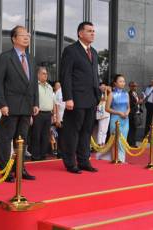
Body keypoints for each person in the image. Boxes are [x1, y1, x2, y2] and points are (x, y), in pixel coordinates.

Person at [0, 25, 39, 182]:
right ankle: (6, 169)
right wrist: (2, 104)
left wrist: (35, 102)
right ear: (14, 38)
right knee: (6, 138)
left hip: (27, 105)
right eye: (23, 35)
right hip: (10, 105)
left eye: (28, 34)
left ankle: (20, 168)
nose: (27, 37)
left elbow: (34, 83)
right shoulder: (5, 57)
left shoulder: (31, 58)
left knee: (22, 139)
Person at [59, 21, 101, 174]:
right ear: (80, 33)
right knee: (72, 131)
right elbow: (66, 75)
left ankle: (84, 161)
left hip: (91, 99)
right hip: (75, 99)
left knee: (86, 131)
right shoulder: (71, 50)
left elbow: (94, 76)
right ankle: (70, 163)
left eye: (93, 31)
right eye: (89, 31)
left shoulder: (94, 52)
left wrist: (99, 95)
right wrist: (68, 97)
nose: (92, 33)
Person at [30, 66, 57, 161]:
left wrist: (53, 114)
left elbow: (52, 101)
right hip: (38, 113)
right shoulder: (34, 86)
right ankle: (35, 155)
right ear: (38, 75)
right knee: (36, 135)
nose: (46, 75)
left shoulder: (49, 87)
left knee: (46, 135)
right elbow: (31, 100)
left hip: (48, 114)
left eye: (46, 74)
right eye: (43, 73)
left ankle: (43, 154)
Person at [105, 74, 130, 162]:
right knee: (114, 141)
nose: (123, 83)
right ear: (115, 83)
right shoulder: (111, 94)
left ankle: (122, 160)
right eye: (120, 81)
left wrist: (127, 113)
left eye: (123, 81)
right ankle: (114, 160)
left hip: (125, 120)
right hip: (115, 119)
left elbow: (128, 107)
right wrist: (119, 112)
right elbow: (107, 108)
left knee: (123, 140)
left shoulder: (126, 94)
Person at [127, 81, 143, 147]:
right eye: (133, 86)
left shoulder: (136, 93)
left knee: (135, 129)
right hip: (132, 113)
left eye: (136, 86)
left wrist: (140, 102)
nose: (135, 87)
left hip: (137, 112)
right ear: (130, 87)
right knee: (131, 129)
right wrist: (138, 102)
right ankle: (130, 143)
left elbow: (138, 102)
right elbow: (130, 104)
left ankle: (133, 143)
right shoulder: (129, 94)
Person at [96, 82, 111, 148]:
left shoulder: (107, 93)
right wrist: (105, 91)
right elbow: (104, 99)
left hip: (107, 112)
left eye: (104, 86)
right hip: (101, 112)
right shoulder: (98, 93)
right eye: (102, 86)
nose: (104, 87)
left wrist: (107, 90)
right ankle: (99, 143)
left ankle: (103, 142)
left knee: (105, 129)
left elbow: (108, 99)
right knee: (101, 129)